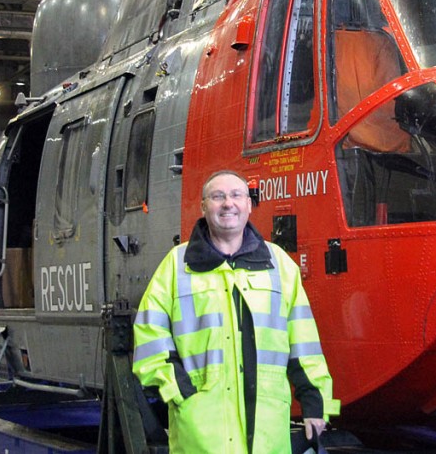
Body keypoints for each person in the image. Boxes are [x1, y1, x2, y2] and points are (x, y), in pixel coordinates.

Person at [133, 170, 339, 453]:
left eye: (236, 195)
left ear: (249, 205)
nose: (228, 203)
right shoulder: (176, 265)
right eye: (217, 197)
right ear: (204, 207)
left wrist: (315, 403)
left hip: (268, 431)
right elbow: (149, 335)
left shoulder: (279, 265)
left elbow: (303, 343)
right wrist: (178, 389)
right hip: (201, 431)